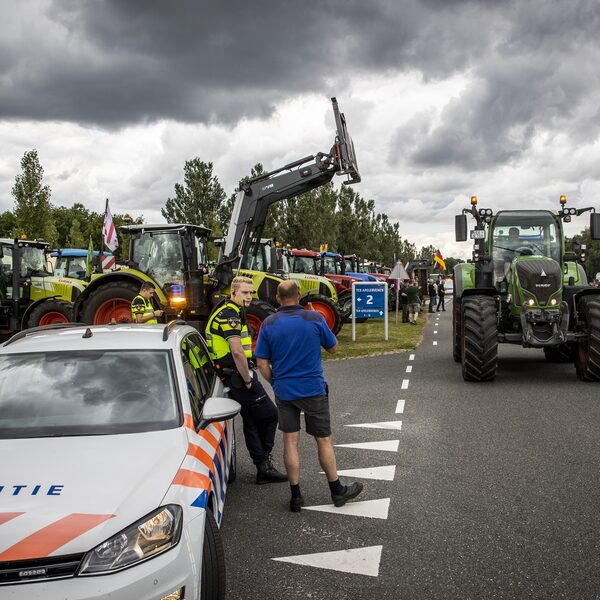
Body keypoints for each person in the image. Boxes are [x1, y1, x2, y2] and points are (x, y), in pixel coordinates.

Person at [255, 280, 364, 512]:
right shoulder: (314, 318)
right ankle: (337, 491)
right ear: (300, 295)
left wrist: (275, 381)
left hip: (285, 391)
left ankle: (296, 496)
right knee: (323, 440)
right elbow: (333, 347)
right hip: (313, 388)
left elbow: (261, 362)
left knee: (290, 441)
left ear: (277, 298)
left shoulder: (268, 323)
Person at [205, 276, 287, 484]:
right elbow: (237, 353)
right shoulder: (229, 315)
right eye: (244, 292)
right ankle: (264, 461)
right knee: (270, 415)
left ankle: (263, 468)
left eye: (251, 293)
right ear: (233, 293)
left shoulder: (229, 309)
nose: (249, 296)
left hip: (232, 374)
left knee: (251, 418)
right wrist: (248, 381)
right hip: (237, 375)